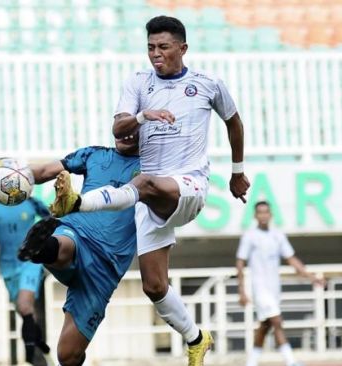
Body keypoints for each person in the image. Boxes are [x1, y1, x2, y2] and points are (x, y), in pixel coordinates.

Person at [48, 15, 251, 365]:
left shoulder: (208, 84)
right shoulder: (138, 83)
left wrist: (237, 172)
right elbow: (119, 125)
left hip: (188, 185)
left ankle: (76, 203)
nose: (156, 54)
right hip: (151, 198)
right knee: (154, 286)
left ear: (182, 49)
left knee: (142, 183)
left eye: (164, 47)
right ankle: (197, 339)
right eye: (151, 48)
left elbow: (233, 121)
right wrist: (144, 116)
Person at [16, 135, 140, 366]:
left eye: (133, 129)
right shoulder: (94, 154)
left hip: (106, 267)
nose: (125, 133)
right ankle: (40, 247)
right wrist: (16, 175)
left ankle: (43, 246)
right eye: (121, 126)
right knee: (64, 248)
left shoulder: (153, 169)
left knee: (68, 355)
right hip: (78, 234)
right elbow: (43, 171)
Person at [236, 201, 325, 366]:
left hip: (274, 288)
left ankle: (252, 362)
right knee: (276, 320)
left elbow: (292, 259)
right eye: (260, 212)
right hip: (259, 287)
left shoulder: (278, 235)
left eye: (266, 212)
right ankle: (290, 361)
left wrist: (312, 277)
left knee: (265, 324)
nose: (263, 215)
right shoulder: (250, 236)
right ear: (255, 215)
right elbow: (240, 262)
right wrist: (241, 291)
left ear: (270, 215)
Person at [0, 196, 52, 364]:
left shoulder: (32, 203)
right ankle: (38, 341)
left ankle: (31, 357)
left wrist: (44, 240)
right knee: (26, 312)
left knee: (24, 305)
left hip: (30, 261)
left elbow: (52, 220)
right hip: (8, 266)